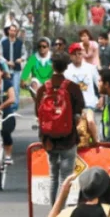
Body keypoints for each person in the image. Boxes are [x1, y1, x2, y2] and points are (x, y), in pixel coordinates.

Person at [35, 54, 85, 205]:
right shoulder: (73, 88)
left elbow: (38, 113)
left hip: (49, 139)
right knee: (65, 178)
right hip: (68, 139)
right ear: (67, 67)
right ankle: (60, 213)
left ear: (52, 66)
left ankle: (53, 212)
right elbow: (78, 114)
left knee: (53, 177)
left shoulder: (43, 89)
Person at [66, 43, 100, 119]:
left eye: (79, 53)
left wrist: (102, 98)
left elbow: (99, 83)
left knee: (89, 124)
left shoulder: (91, 68)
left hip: (89, 104)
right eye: (74, 54)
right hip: (73, 106)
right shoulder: (66, 70)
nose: (77, 56)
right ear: (70, 56)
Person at [0, 24, 26, 91]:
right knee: (7, 89)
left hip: (16, 69)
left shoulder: (20, 43)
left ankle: (16, 101)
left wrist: (21, 59)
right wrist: (7, 62)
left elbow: (25, 54)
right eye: (11, 30)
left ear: (16, 32)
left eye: (14, 31)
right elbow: (0, 55)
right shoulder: (3, 43)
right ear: (8, 31)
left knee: (16, 88)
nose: (12, 32)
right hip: (6, 70)